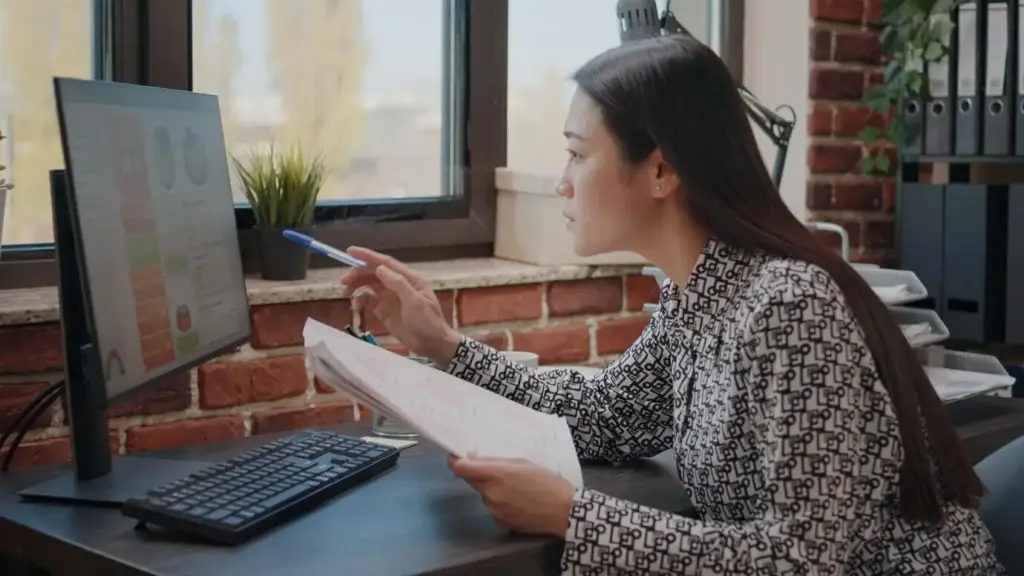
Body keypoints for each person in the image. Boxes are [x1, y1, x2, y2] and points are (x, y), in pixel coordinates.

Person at [340, 35, 1005, 575]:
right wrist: (444, 346)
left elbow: (804, 561)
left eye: (577, 154)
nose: (562, 184)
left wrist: (573, 515)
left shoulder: (787, 305)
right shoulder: (700, 294)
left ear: (660, 171)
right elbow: (608, 417)